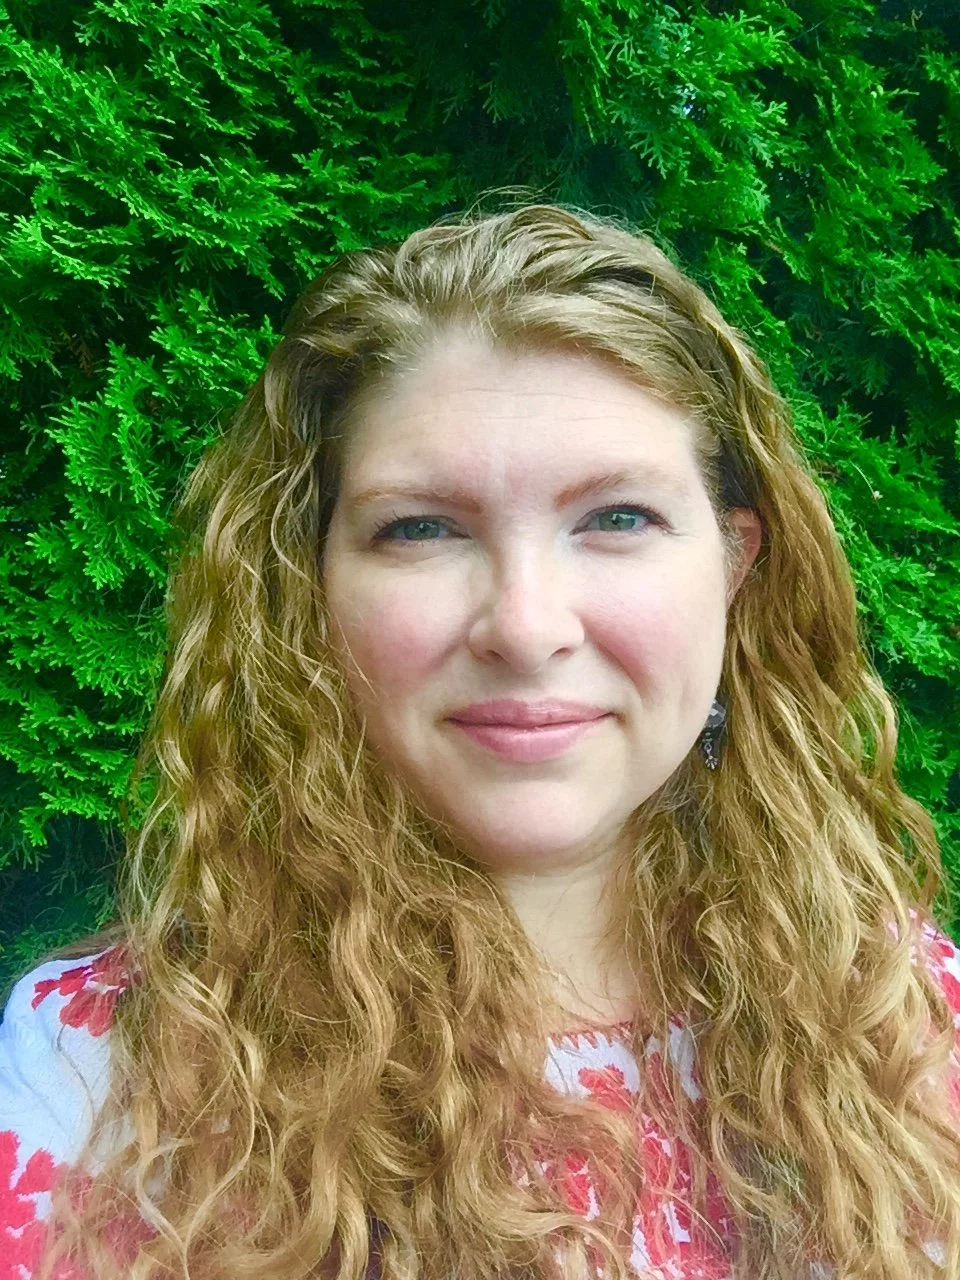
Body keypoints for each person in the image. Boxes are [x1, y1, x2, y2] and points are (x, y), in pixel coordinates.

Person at [1, 200, 959, 1280]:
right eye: (422, 527)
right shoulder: (101, 1082)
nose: (526, 626)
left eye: (618, 517)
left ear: (733, 567)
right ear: (311, 588)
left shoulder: (909, 1016)